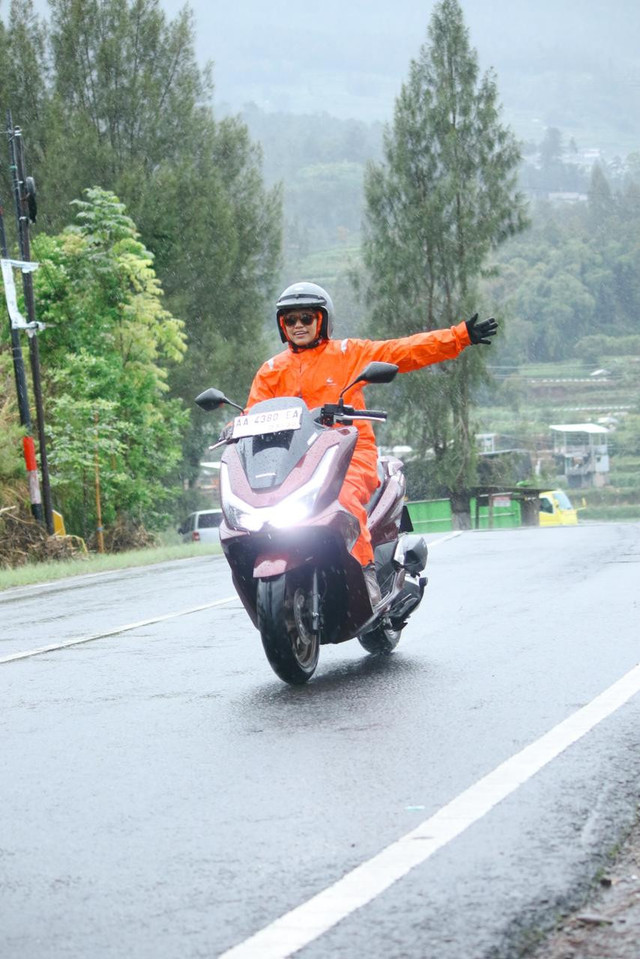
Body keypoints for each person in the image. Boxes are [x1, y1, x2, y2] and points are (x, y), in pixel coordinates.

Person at [246, 281, 497, 607]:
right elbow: (252, 413)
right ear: (282, 325)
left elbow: (404, 351)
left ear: (321, 320)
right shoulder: (270, 370)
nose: (298, 326)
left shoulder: (350, 353)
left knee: (344, 501)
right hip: (296, 460)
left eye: (306, 318)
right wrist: (233, 429)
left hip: (349, 452)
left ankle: (365, 581)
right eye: (290, 320)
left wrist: (459, 336)